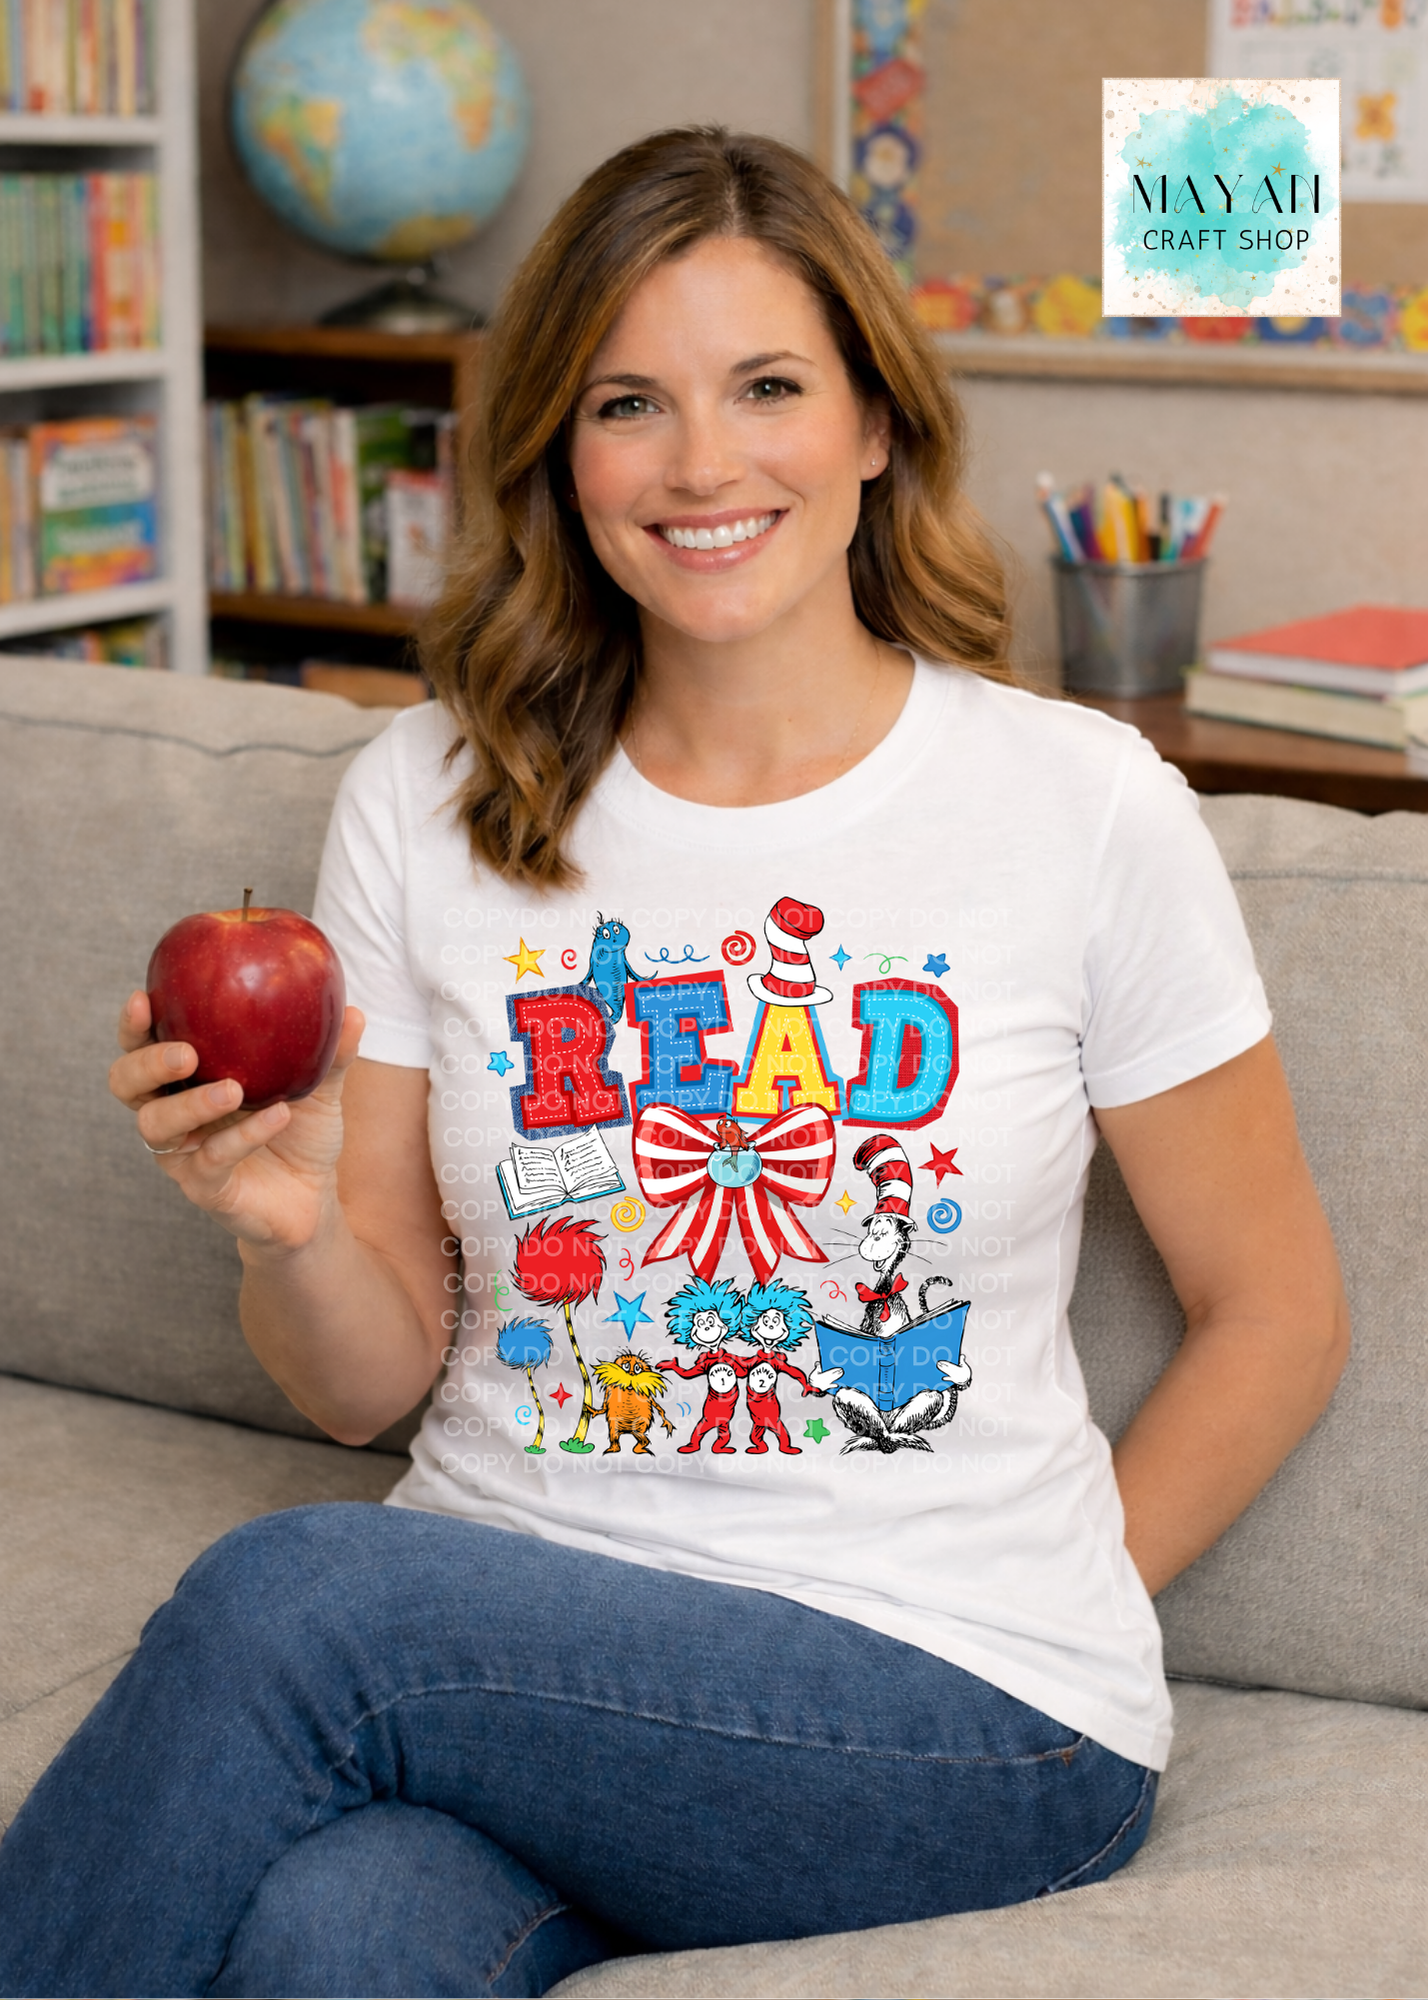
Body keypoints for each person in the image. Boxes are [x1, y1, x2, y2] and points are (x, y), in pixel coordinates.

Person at [0, 128, 1349, 2000]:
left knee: (297, 1600)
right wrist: (279, 1226)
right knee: (334, 1938)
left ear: (877, 422)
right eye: (630, 403)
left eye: (769, 387)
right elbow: (361, 1389)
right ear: (560, 448)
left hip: (945, 1700)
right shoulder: (428, 799)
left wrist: (1059, 1602)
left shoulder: (1077, 803)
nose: (704, 465)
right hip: (518, 1645)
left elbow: (1275, 1309)